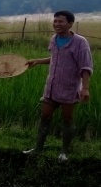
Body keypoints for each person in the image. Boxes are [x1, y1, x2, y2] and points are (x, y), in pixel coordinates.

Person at [24, 10, 93, 161]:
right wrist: (37, 61)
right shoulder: (54, 39)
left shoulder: (80, 43)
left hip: (69, 87)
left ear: (70, 24)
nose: (57, 24)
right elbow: (56, 58)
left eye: (61, 21)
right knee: (45, 116)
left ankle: (64, 152)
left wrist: (85, 89)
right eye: (55, 21)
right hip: (52, 86)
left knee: (67, 119)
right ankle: (38, 148)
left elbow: (86, 67)